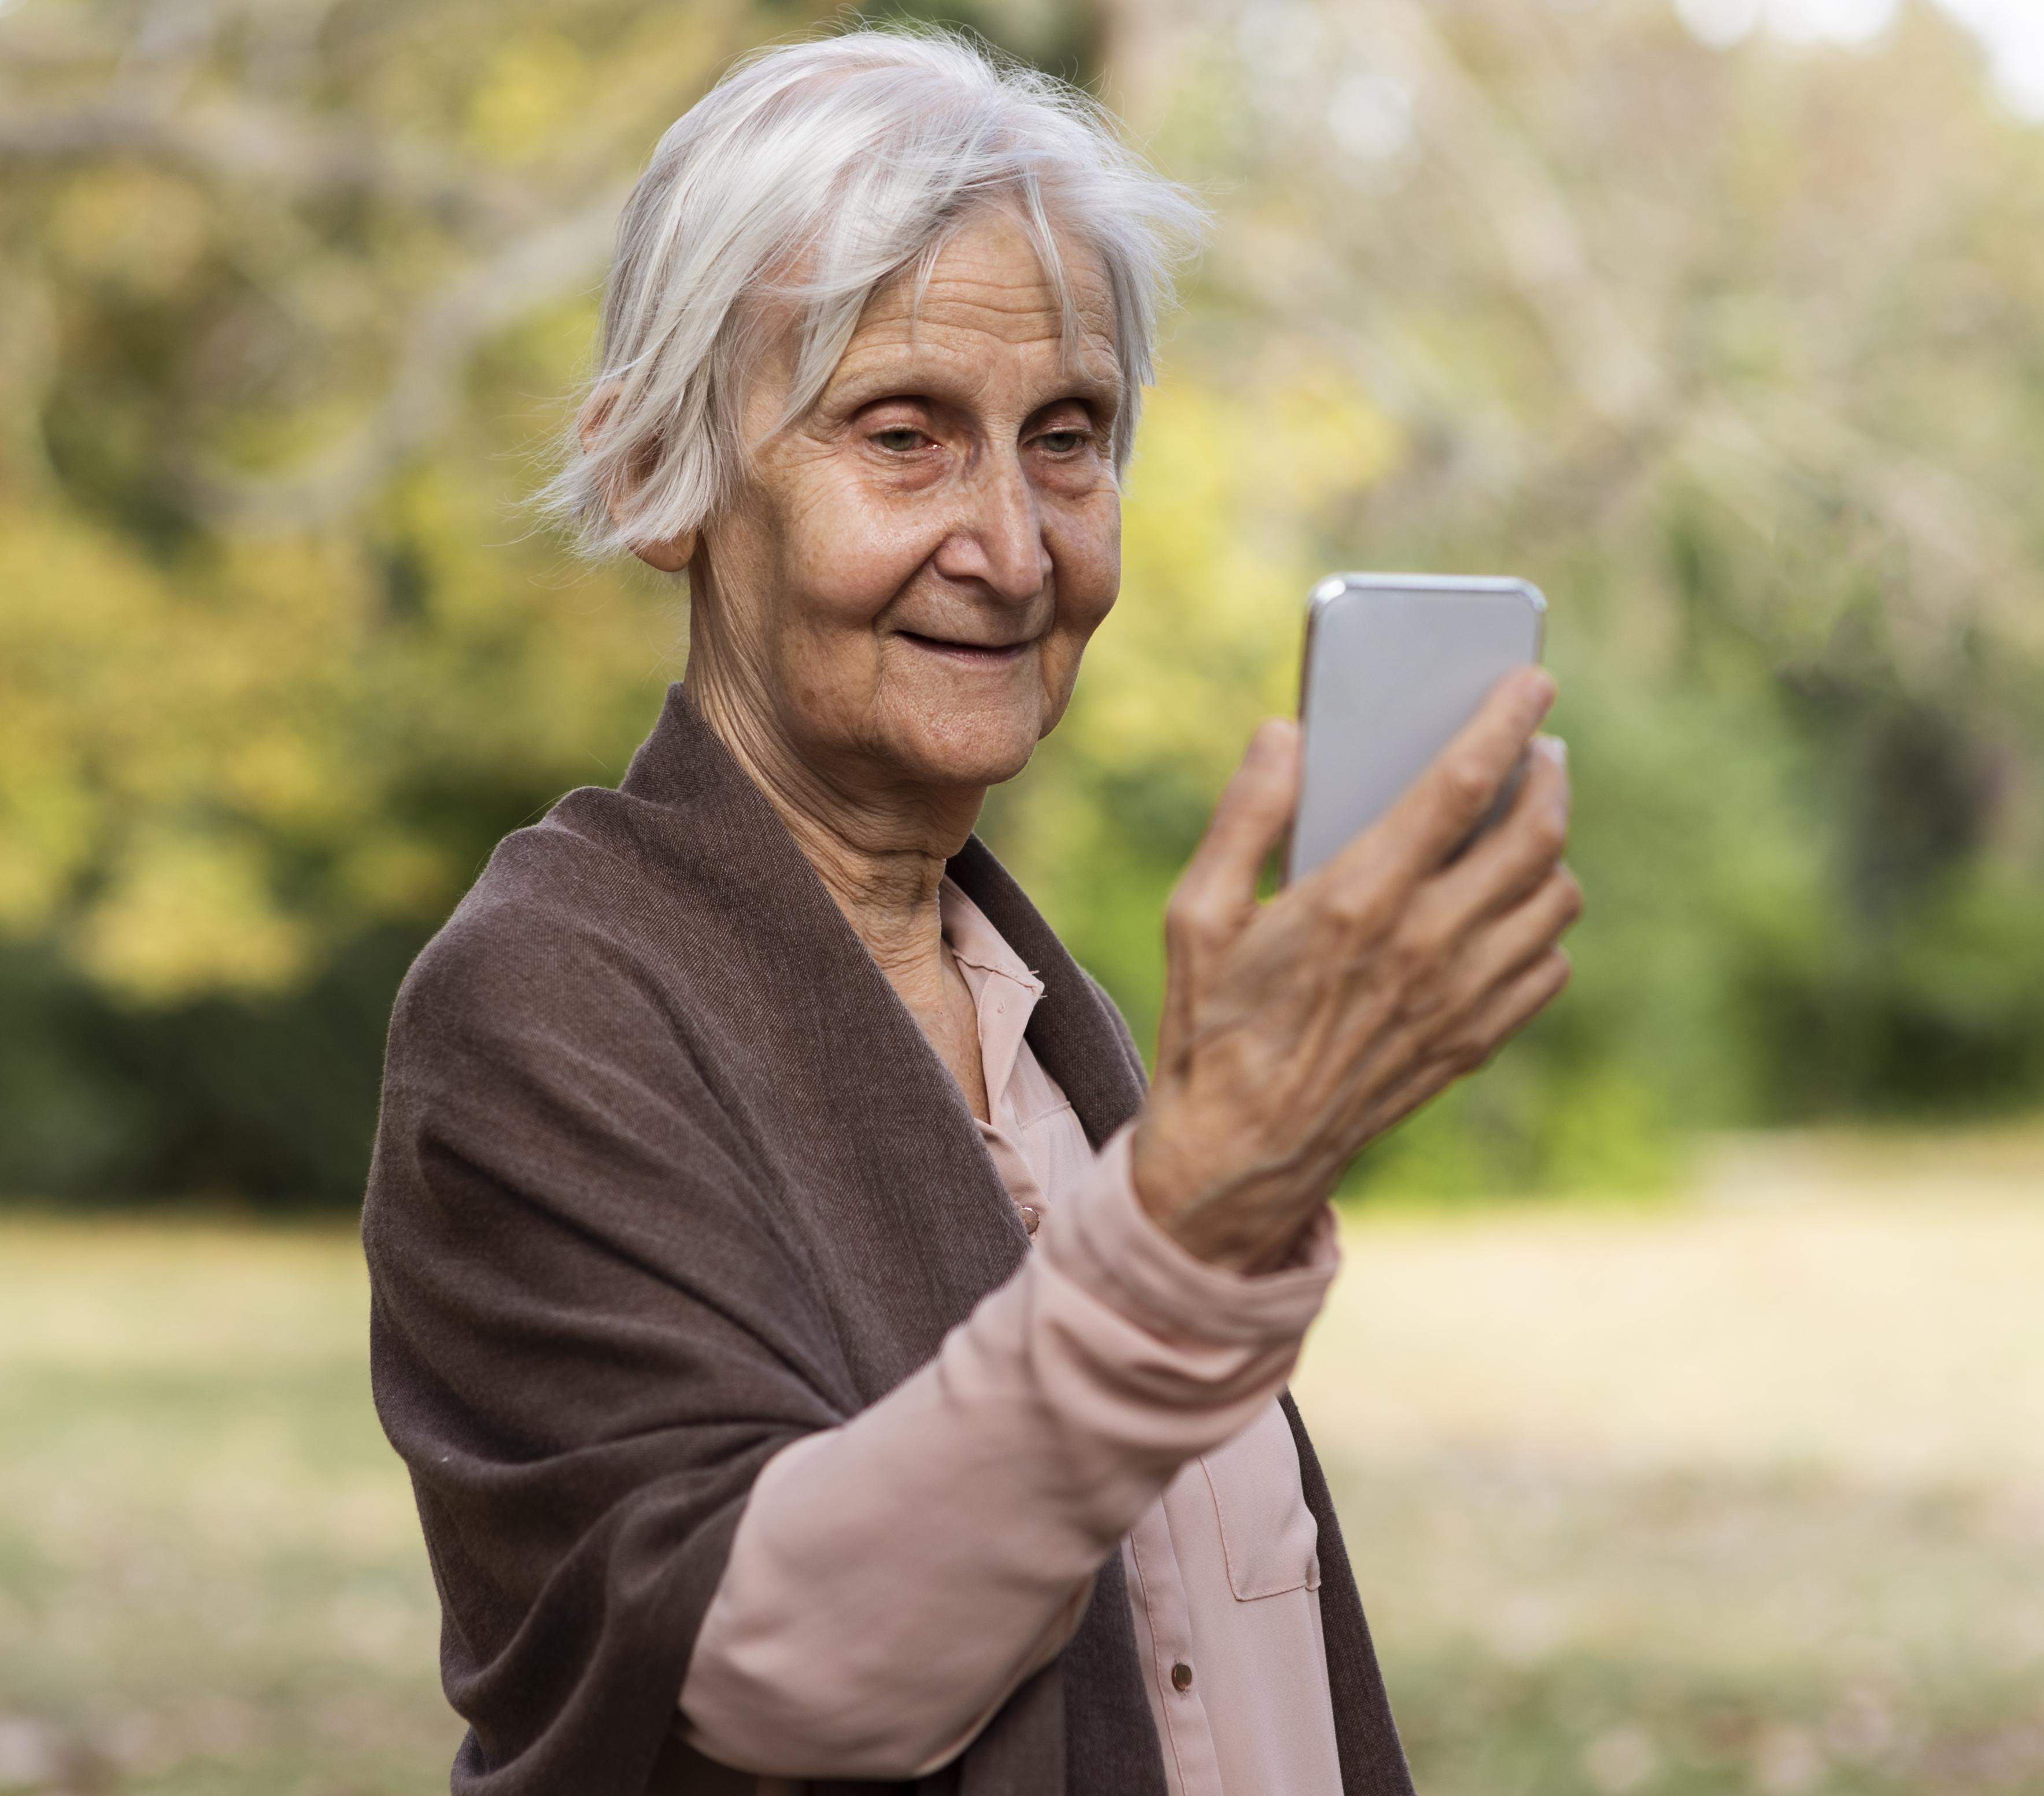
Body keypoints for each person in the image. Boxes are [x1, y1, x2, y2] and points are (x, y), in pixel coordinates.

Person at [360, 27, 1579, 1796]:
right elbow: (768, 1669)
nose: (1013, 547)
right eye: (903, 434)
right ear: (655, 479)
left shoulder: (1047, 1012)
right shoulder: (544, 1002)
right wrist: (1185, 1230)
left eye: (1067, 439)